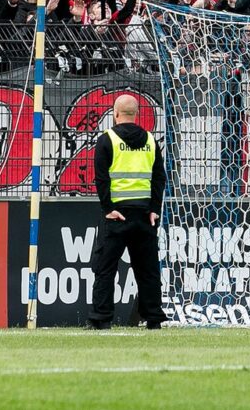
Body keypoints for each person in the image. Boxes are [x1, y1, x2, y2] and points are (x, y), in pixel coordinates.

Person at [88, 93, 167, 329]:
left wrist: (108, 209)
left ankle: (101, 319)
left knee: (105, 269)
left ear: (115, 113)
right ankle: (153, 318)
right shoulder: (151, 140)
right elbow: (159, 178)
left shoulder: (107, 140)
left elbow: (101, 179)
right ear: (136, 114)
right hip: (144, 215)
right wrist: (154, 209)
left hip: (117, 216)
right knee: (148, 270)